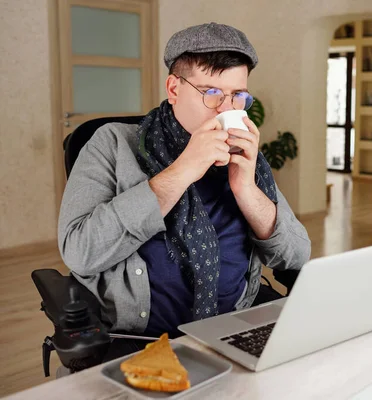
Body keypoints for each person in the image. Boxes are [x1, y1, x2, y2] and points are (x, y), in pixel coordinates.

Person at [57, 22, 311, 359]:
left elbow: (296, 255)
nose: (227, 109)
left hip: (235, 325)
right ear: (174, 89)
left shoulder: (246, 156)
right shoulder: (113, 143)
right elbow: (79, 252)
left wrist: (245, 187)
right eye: (211, 93)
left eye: (238, 95)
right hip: (145, 340)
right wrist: (183, 170)